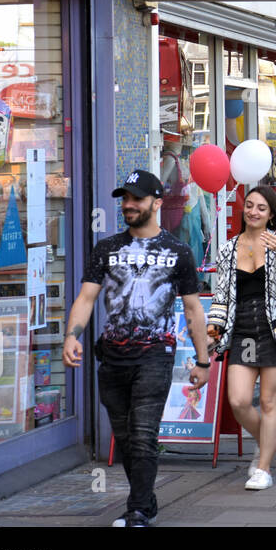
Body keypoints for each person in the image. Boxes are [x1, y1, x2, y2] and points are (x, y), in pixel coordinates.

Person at [64, 170, 206, 527]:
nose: (128, 205)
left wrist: (203, 360)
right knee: (126, 438)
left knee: (143, 435)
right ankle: (146, 498)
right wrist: (71, 335)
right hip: (112, 355)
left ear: (157, 203)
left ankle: (138, 511)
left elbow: (192, 308)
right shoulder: (107, 248)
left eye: (137, 199)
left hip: (155, 353)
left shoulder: (178, 251)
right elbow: (86, 297)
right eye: (125, 198)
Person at [207, 186, 276, 491]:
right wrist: (213, 331)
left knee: (268, 401)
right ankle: (266, 444)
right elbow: (221, 297)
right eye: (249, 206)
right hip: (243, 332)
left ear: (271, 213)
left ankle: (263, 467)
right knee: (238, 401)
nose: (253, 212)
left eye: (261, 208)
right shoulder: (228, 248)